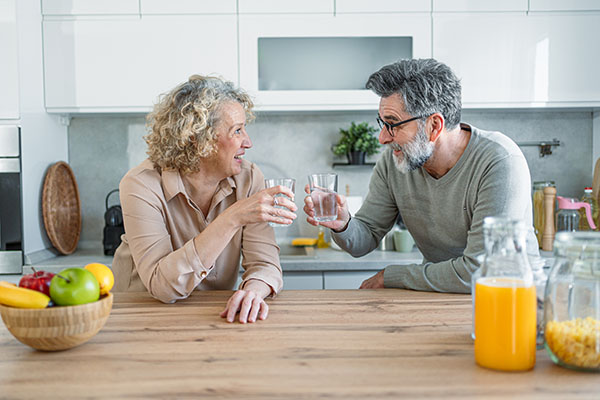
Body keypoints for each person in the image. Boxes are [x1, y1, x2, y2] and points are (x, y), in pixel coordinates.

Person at [304, 58, 538, 293]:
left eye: (393, 124)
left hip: (510, 300)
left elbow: (479, 272)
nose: (382, 138)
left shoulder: (499, 161)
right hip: (437, 296)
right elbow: (365, 238)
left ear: (434, 126)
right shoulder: (394, 161)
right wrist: (342, 223)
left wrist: (393, 275)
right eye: (382, 123)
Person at [112, 75, 297, 323]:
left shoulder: (249, 178)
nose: (248, 142)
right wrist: (232, 217)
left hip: (216, 315)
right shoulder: (141, 184)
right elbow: (161, 286)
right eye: (237, 130)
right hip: (144, 315)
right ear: (197, 139)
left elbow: (265, 263)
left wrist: (253, 291)